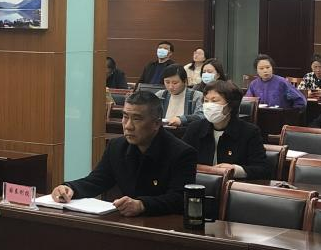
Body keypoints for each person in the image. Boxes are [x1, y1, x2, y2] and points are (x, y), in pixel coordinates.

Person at [51, 91, 198, 217]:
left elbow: (179, 198)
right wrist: (70, 188)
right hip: (128, 223)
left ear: (156, 123)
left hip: (164, 227)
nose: (128, 126)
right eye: (125, 117)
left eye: (137, 119)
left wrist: (142, 205)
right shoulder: (117, 146)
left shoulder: (181, 153)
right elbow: (97, 180)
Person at [181, 79, 270, 179]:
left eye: (214, 101)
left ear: (230, 105)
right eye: (206, 101)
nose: (209, 105)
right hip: (198, 184)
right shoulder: (195, 128)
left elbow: (263, 169)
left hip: (234, 184)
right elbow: (180, 160)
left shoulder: (249, 132)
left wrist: (236, 170)